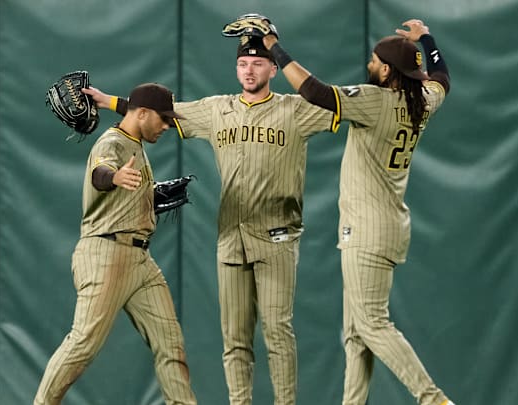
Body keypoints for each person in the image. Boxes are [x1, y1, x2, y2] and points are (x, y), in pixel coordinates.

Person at [84, 37, 340, 405]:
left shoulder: (297, 108)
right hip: (232, 237)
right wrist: (109, 101)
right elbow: (161, 114)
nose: (249, 70)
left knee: (278, 333)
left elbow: (335, 104)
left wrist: (282, 51)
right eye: (242, 64)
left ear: (272, 69)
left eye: (258, 63)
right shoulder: (218, 109)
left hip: (278, 236)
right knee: (235, 340)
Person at [259, 18, 455, 405]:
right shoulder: (422, 101)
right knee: (355, 334)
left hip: (367, 229)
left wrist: (273, 48)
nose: (369, 64)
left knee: (372, 323)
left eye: (374, 60)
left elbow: (315, 91)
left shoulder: (375, 99)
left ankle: (434, 400)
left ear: (386, 70)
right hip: (388, 225)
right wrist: (427, 40)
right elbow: (442, 77)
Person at [34, 83, 197, 405]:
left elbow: (136, 112)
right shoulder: (113, 142)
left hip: (140, 261)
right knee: (83, 344)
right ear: (144, 114)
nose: (167, 125)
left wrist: (149, 197)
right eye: (163, 119)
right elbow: (100, 172)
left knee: (170, 343)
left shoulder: (135, 138)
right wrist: (115, 178)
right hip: (106, 254)